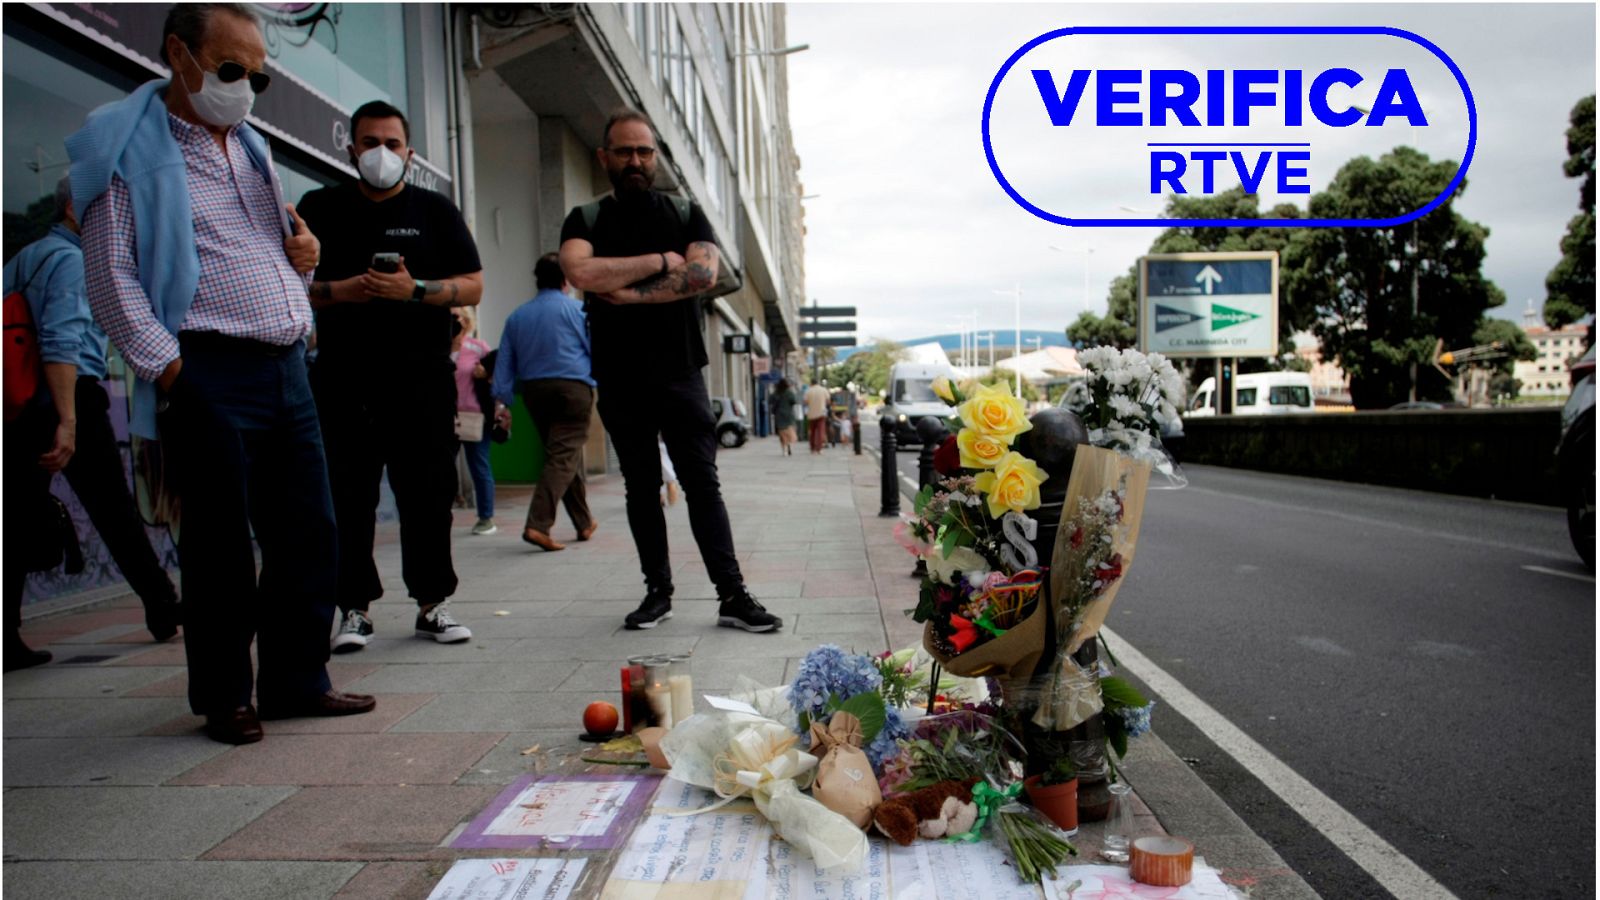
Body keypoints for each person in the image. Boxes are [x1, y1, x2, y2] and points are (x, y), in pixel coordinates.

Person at [69, 2, 374, 742]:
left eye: (257, 78)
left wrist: (306, 260)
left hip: (287, 365)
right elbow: (110, 279)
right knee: (219, 547)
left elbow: (266, 251)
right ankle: (225, 695)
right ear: (180, 54)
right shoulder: (128, 151)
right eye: (232, 69)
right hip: (206, 367)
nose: (245, 89)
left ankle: (297, 680)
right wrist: (175, 374)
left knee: (309, 531)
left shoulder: (252, 147)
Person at [558, 108, 781, 633]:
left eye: (644, 151)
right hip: (619, 374)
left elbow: (702, 273)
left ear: (655, 156)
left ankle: (732, 596)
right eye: (624, 151)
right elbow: (579, 271)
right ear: (605, 157)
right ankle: (657, 593)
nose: (635, 160)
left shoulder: (686, 213)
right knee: (640, 488)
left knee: (703, 485)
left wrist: (628, 294)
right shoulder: (586, 218)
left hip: (681, 371)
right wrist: (661, 262)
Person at [296, 99, 484, 654]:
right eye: (370, 143)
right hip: (342, 378)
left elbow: (473, 284)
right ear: (350, 149)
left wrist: (415, 289)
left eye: (392, 143)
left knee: (428, 495)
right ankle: (353, 608)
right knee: (347, 497)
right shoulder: (320, 207)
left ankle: (432, 603)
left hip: (421, 379)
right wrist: (343, 291)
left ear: (410, 153)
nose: (381, 153)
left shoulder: (435, 210)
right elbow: (289, 283)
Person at [3, 176, 182, 664]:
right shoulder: (72, 261)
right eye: (104, 209)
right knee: (113, 508)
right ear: (72, 210)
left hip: (18, 401)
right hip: (68, 394)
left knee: (14, 515)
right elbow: (61, 342)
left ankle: (7, 634)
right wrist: (68, 419)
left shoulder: (23, 258)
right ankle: (162, 604)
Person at [491, 253, 597, 551]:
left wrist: (502, 402)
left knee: (560, 453)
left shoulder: (517, 316)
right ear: (566, 279)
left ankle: (584, 522)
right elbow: (596, 350)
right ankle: (538, 525)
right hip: (573, 388)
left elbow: (504, 362)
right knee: (562, 456)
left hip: (535, 392)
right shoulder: (578, 310)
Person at [452, 305, 499, 535]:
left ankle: (486, 517)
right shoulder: (437, 349)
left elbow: (497, 374)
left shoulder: (478, 348)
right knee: (440, 468)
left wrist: (486, 373)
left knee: (479, 465)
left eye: (456, 317)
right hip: (444, 416)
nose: (452, 321)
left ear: (466, 321)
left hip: (474, 415)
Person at [769, 378, 798, 456]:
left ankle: (784, 450)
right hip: (788, 415)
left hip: (779, 415)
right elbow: (794, 401)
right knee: (788, 432)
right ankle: (788, 445)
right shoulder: (789, 392)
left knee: (782, 433)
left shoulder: (776, 392)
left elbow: (770, 400)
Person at [804, 379, 830, 454]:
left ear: (811, 383)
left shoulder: (808, 391)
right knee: (821, 431)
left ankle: (812, 448)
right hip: (821, 413)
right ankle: (819, 448)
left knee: (812, 432)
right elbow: (828, 401)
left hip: (811, 414)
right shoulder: (823, 390)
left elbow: (805, 402)